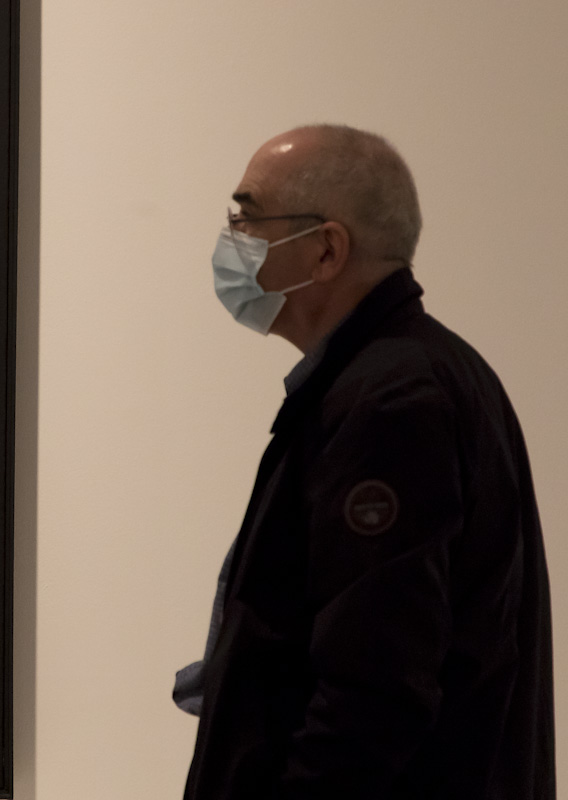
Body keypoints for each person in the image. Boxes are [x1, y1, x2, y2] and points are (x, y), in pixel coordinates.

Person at [174, 124, 554, 799]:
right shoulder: (419, 373)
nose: (232, 240)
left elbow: (374, 690)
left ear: (326, 250)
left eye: (247, 219)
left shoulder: (391, 401)